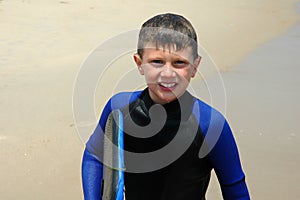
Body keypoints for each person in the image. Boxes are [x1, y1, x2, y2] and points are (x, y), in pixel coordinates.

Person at [81, 13, 250, 200]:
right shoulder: (120, 108)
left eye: (179, 63)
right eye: (157, 62)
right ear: (140, 64)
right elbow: (94, 157)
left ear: (195, 66)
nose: (168, 73)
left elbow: (234, 188)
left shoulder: (210, 124)